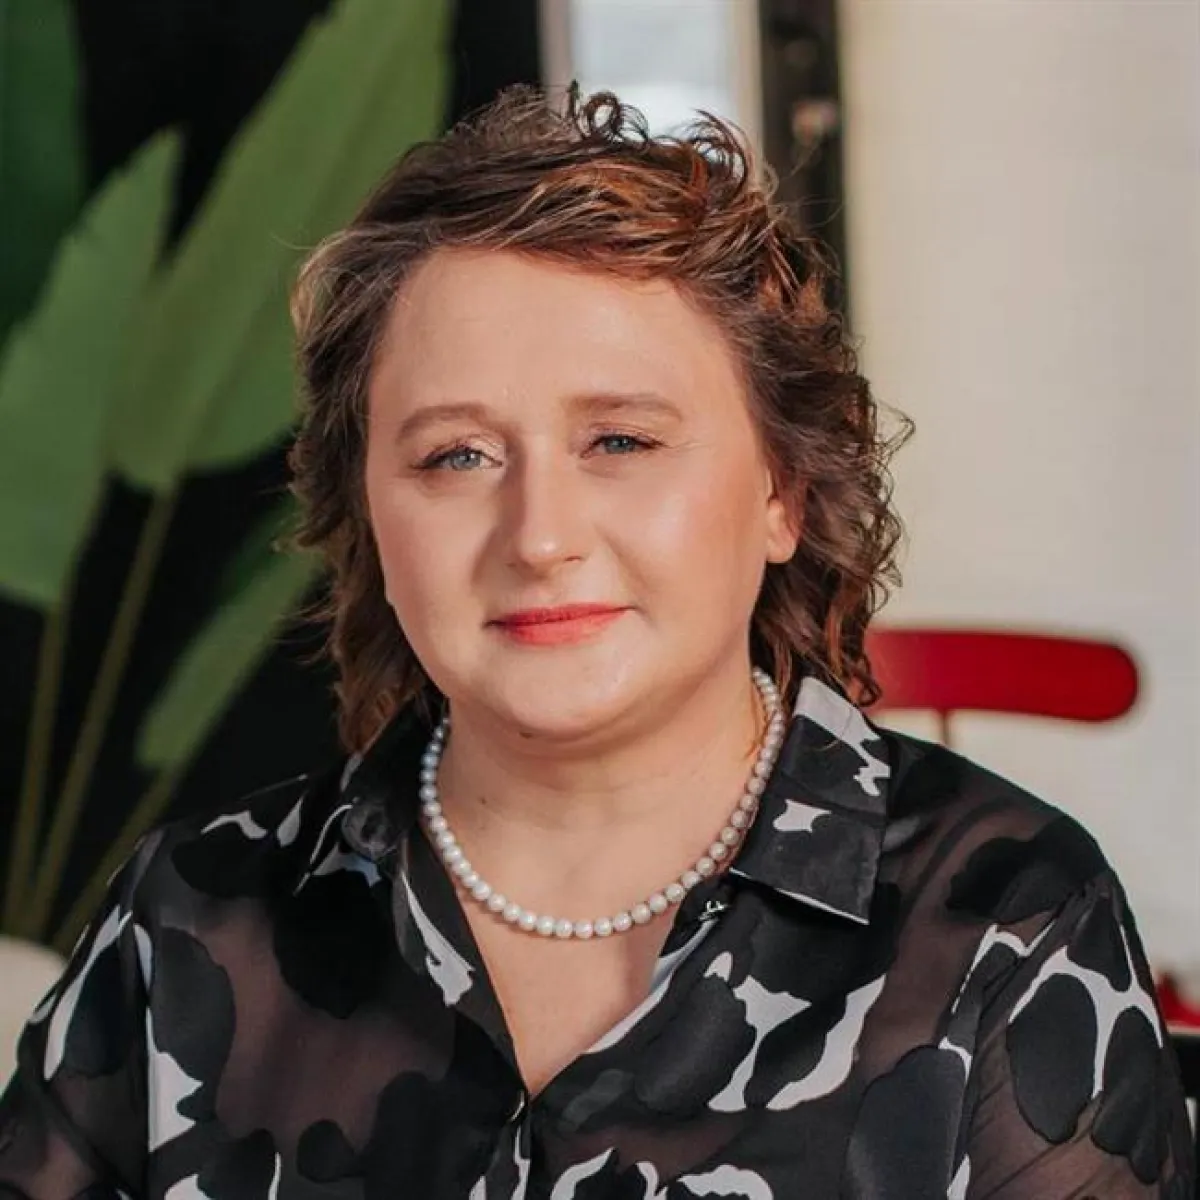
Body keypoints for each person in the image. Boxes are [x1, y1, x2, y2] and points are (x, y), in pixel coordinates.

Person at [0, 87, 1192, 1200]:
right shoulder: (189, 920)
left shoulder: (1002, 918)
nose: (540, 535)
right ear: (365, 515)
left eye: (620, 441)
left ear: (782, 490)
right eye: (456, 456)